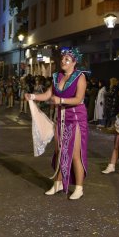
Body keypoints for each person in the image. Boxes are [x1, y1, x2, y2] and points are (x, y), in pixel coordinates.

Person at [26, 47, 88, 200]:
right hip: (61, 118)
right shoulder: (57, 76)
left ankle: (79, 187)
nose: (63, 61)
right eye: (62, 59)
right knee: (60, 151)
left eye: (67, 59)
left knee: (74, 154)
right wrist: (32, 96)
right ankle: (58, 183)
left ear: (74, 62)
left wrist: (61, 100)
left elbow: (79, 99)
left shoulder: (80, 77)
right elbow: (48, 95)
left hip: (76, 118)